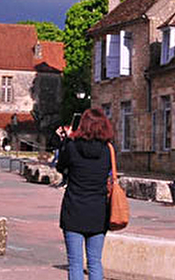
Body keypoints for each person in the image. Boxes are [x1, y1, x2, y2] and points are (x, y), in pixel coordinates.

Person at [56, 108, 115, 280]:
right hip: (98, 211)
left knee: (75, 262)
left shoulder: (72, 147)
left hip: (73, 209)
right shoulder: (108, 150)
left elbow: (60, 167)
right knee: (95, 261)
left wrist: (67, 140)